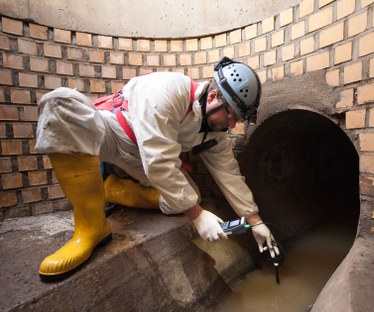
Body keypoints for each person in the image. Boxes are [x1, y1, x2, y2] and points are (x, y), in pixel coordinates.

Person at [35, 57, 279, 280]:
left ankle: (113, 189)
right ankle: (90, 228)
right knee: (60, 104)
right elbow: (159, 161)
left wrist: (255, 220)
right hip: (114, 133)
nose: (232, 124)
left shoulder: (213, 132)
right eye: (232, 116)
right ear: (214, 97)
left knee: (186, 196)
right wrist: (197, 215)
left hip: (143, 159)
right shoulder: (167, 89)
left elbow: (229, 174)